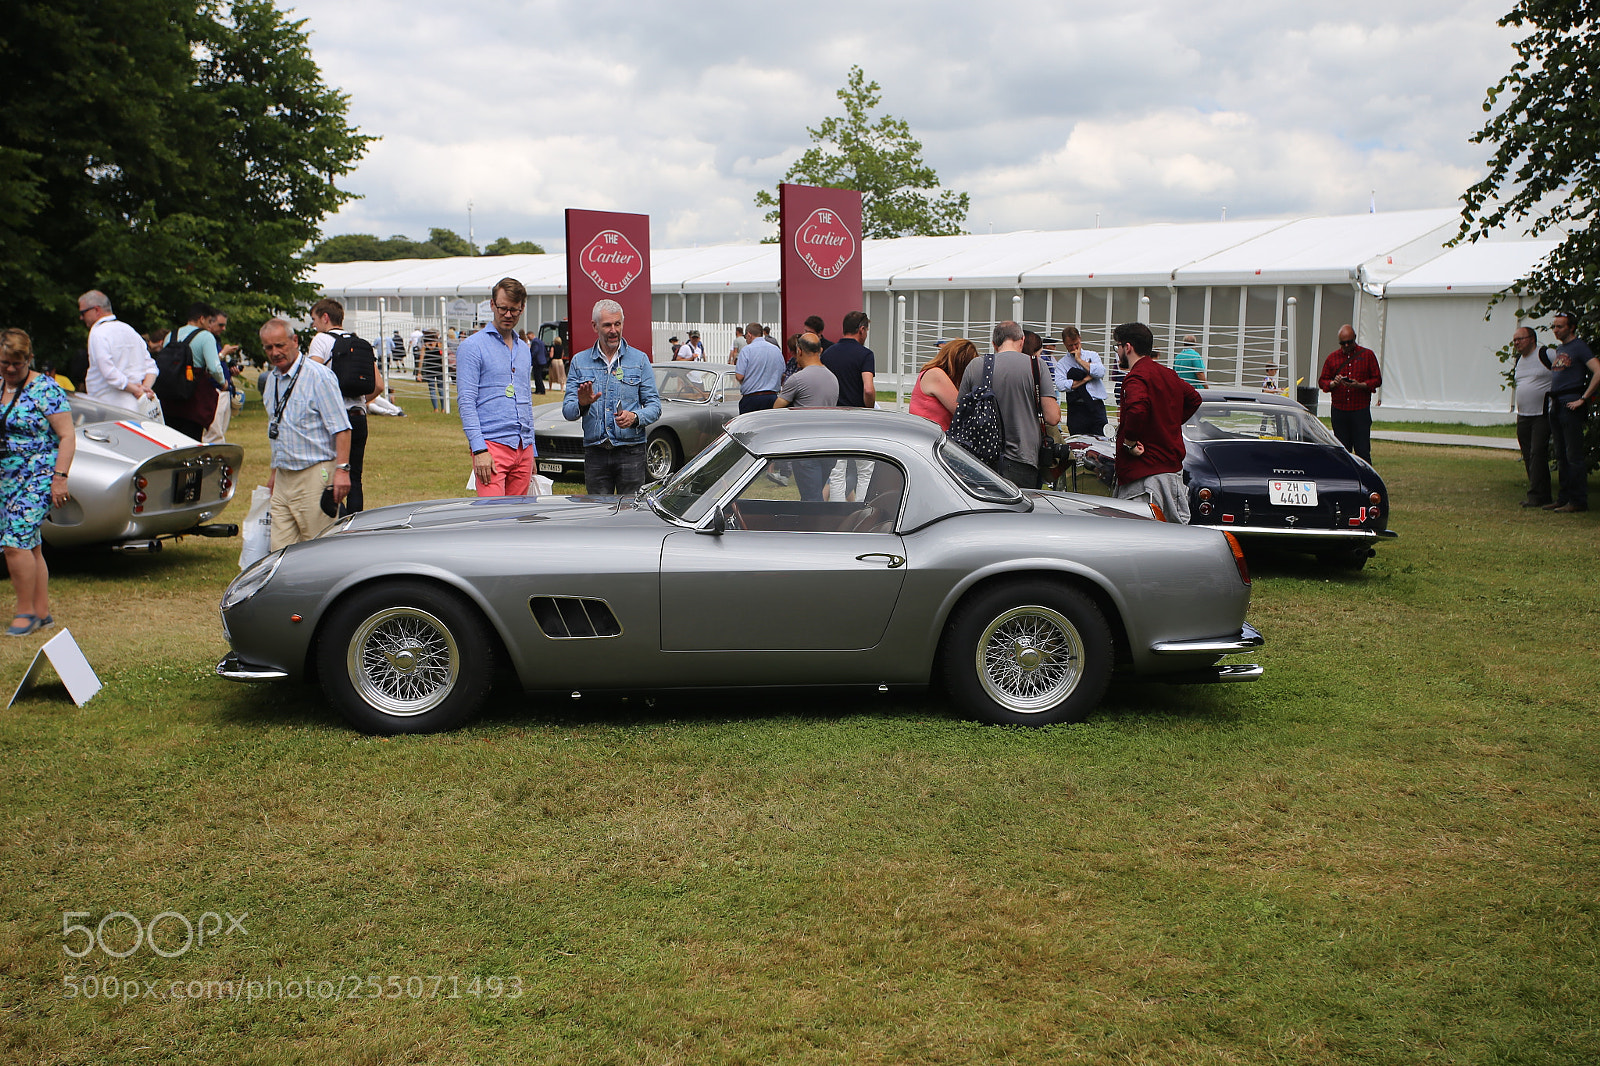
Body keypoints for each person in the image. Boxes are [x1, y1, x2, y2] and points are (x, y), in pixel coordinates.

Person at [1, 329, 74, 637]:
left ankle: (26, 612)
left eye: (15, 364)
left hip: (38, 476)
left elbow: (67, 436)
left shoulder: (47, 389)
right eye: (4, 363)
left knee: (14, 545)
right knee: (30, 547)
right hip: (6, 478)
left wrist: (60, 479)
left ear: (28, 359)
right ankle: (42, 613)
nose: (9, 369)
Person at [260, 318, 351, 549]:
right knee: (279, 552)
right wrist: (274, 473)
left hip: (314, 475)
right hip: (283, 477)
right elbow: (277, 429)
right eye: (269, 347)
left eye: (280, 345)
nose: (275, 352)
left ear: (295, 341)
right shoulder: (271, 380)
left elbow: (342, 428)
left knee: (317, 548)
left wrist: (341, 471)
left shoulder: (318, 376)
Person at [562, 299, 662, 495]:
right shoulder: (579, 362)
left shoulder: (639, 360)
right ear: (595, 326)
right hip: (596, 452)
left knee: (630, 516)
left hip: (631, 451)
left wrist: (635, 417)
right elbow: (568, 411)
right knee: (599, 516)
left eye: (618, 324)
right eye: (607, 325)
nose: (614, 330)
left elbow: (655, 406)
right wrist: (582, 404)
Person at [1111, 321, 1201, 522]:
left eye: (1117, 346)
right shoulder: (1167, 374)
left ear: (1128, 347)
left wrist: (1129, 442)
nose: (1117, 352)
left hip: (1144, 478)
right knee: (1172, 542)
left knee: (1138, 542)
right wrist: (1166, 423)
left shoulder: (1136, 378)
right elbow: (1194, 398)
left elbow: (1137, 409)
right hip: (1172, 475)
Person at [956, 320, 1061, 489]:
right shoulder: (1037, 366)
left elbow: (960, 413)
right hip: (1023, 458)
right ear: (1022, 340)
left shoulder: (976, 366)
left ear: (994, 344)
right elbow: (1052, 417)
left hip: (980, 460)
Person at [459, 278, 537, 497]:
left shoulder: (524, 349)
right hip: (491, 445)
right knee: (494, 520)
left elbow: (526, 400)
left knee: (519, 522)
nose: (508, 315)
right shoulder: (472, 347)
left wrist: (532, 451)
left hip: (523, 448)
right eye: (503, 308)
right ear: (492, 305)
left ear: (522, 309)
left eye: (514, 310)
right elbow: (466, 401)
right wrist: (479, 449)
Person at [307, 298, 381, 513]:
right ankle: (355, 526)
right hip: (359, 416)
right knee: (355, 476)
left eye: (314, 320)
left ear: (325, 318)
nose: (313, 325)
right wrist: (360, 402)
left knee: (331, 472)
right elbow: (378, 385)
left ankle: (331, 522)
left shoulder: (321, 340)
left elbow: (312, 378)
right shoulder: (361, 343)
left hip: (335, 419)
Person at [774, 332, 840, 501]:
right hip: (828, 449)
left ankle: (818, 526)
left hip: (806, 448)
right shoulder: (833, 378)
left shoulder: (797, 379)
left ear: (799, 351)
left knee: (811, 500)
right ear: (821, 350)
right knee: (814, 494)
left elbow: (775, 410)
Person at [1545, 312, 1600, 512]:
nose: (1556, 330)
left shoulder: (1579, 347)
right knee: (1560, 453)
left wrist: (1583, 398)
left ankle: (1578, 500)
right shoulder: (1561, 349)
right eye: (1554, 326)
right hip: (1557, 404)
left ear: (1571, 327)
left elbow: (1598, 370)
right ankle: (1564, 497)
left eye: (1560, 326)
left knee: (1573, 454)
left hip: (1571, 403)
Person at [822, 311, 877, 500]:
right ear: (861, 330)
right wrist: (869, 409)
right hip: (859, 417)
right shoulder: (865, 355)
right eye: (867, 330)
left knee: (837, 470)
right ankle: (862, 512)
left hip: (833, 417)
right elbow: (868, 389)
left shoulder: (828, 354)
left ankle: (838, 513)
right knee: (865, 470)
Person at [79, 289, 158, 415]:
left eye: (83, 313)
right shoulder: (129, 330)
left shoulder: (98, 333)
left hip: (109, 407)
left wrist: (137, 390)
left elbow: (109, 373)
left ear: (96, 310)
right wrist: (145, 390)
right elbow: (151, 367)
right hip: (141, 405)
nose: (81, 317)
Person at [161, 302, 230, 440]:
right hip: (193, 396)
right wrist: (223, 383)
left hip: (169, 396)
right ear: (201, 319)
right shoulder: (205, 336)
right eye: (209, 321)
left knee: (172, 439)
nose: (210, 325)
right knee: (191, 440)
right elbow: (214, 367)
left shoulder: (171, 335)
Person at [1318, 324, 1382, 463]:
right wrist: (1333, 383)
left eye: (1349, 342)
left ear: (1355, 339)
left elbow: (1377, 379)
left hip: (1360, 410)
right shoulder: (1332, 358)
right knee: (1342, 452)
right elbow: (1322, 381)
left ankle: (1365, 481)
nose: (1346, 345)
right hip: (1339, 410)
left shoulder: (1367, 355)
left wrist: (1360, 385)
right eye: (1343, 343)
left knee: (1362, 451)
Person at [1510, 326, 1553, 508]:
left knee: (1537, 453)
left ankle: (1537, 496)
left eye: (1520, 339)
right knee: (1528, 454)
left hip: (1542, 414)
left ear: (1532, 339)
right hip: (1524, 414)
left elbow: (1565, 372)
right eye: (1514, 340)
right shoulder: (1520, 360)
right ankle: (1540, 494)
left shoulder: (1547, 354)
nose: (1517, 343)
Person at [909, 339, 978, 432]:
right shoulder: (935, 374)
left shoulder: (932, 373)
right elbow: (962, 411)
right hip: (928, 437)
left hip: (927, 435)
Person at [1054, 326, 1109, 436]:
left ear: (1080, 338)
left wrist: (1079, 360)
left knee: (1101, 442)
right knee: (1078, 444)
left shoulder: (1092, 355)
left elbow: (1100, 372)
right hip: (1077, 409)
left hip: (1096, 406)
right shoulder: (1062, 364)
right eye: (1070, 345)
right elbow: (1061, 385)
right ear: (1064, 344)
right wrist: (1085, 379)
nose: (1074, 347)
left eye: (1076, 344)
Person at [202, 308, 242, 444]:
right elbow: (207, 367)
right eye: (220, 325)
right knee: (214, 433)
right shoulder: (204, 340)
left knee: (220, 432)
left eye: (225, 325)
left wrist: (231, 372)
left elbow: (217, 367)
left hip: (224, 391)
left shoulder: (215, 341)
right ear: (209, 323)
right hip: (213, 392)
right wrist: (223, 354)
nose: (224, 329)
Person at [735, 322, 784, 413]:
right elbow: (782, 373)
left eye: (745, 337)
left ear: (749, 335)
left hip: (751, 398)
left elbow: (739, 376)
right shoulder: (776, 350)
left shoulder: (747, 350)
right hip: (772, 398)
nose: (746, 340)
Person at [420, 329, 445, 411]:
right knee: (441, 389)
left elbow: (421, 359)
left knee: (432, 390)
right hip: (439, 369)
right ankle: (443, 408)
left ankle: (436, 409)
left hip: (429, 369)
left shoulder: (425, 346)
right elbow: (443, 358)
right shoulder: (439, 344)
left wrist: (419, 372)